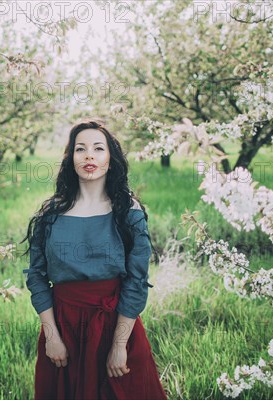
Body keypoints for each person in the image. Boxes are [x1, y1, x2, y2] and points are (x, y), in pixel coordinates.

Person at [21, 117, 168, 400]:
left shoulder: (129, 213)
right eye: (81, 149)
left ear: (110, 160)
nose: (89, 155)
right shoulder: (50, 214)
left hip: (116, 325)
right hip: (64, 327)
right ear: (71, 159)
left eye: (99, 148)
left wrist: (119, 344)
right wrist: (52, 336)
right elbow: (37, 278)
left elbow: (137, 281)